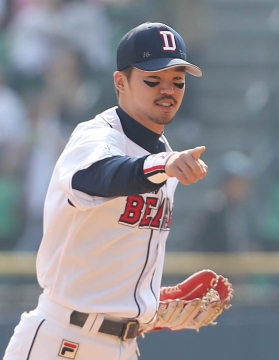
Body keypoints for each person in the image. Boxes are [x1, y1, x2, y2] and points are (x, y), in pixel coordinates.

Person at [4, 22, 211, 360]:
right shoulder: (96, 137)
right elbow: (97, 176)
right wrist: (162, 166)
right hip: (62, 341)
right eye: (152, 79)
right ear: (120, 82)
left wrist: (147, 306)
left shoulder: (163, 154)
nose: (168, 90)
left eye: (178, 81)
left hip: (123, 346)